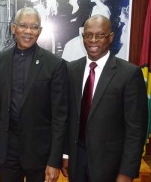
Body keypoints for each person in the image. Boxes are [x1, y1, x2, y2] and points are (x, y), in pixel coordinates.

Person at [61, 15, 148, 182]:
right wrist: (66, 154)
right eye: (88, 35)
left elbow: (136, 129)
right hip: (77, 160)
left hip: (111, 165)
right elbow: (67, 117)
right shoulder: (71, 70)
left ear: (111, 37)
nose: (93, 40)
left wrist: (127, 172)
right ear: (83, 37)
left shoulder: (129, 74)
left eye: (100, 35)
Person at [0, 7, 69, 182]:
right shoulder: (0, 60)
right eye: (23, 26)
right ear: (13, 28)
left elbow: (59, 117)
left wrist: (54, 160)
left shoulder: (54, 64)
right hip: (8, 151)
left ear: (39, 31)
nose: (28, 31)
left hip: (40, 153)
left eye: (34, 27)